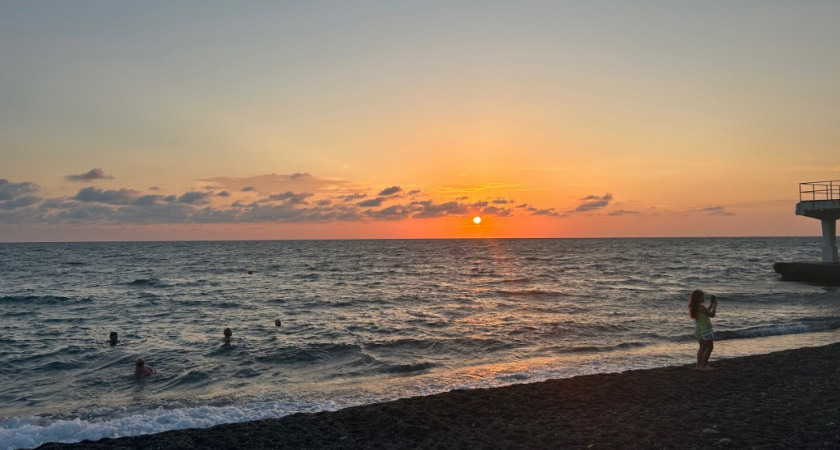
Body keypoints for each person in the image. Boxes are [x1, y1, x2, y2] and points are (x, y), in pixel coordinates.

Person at [688, 289, 718, 371]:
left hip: (699, 329)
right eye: (702, 296)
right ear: (698, 298)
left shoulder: (696, 307)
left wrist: (711, 305)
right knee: (709, 347)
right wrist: (714, 307)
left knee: (702, 347)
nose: (703, 298)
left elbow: (706, 312)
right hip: (705, 329)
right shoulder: (700, 306)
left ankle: (698, 365)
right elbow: (711, 314)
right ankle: (703, 366)